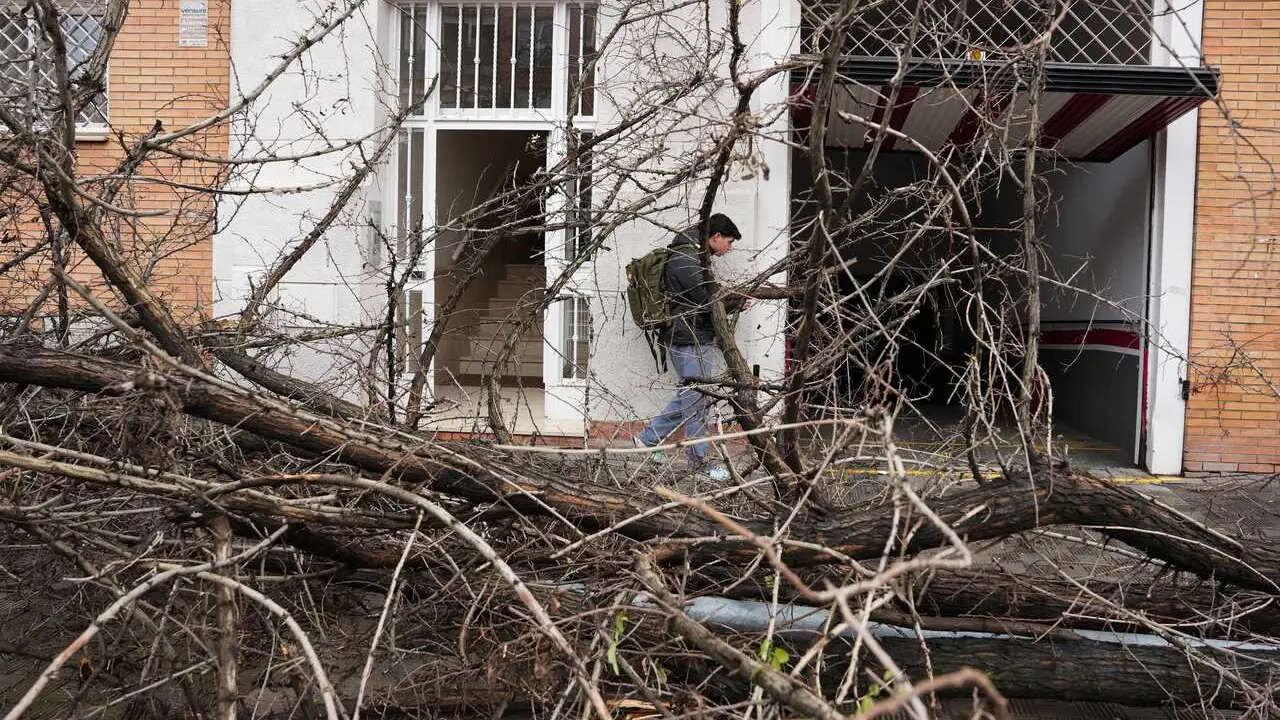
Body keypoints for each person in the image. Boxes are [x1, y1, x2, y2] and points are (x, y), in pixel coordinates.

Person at [634, 213, 745, 481]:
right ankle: (700, 463)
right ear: (715, 237)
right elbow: (708, 297)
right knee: (696, 400)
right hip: (688, 337)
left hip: (693, 336)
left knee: (691, 395)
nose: (729, 249)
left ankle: (649, 438)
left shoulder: (694, 255)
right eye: (728, 242)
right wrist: (738, 300)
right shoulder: (686, 259)